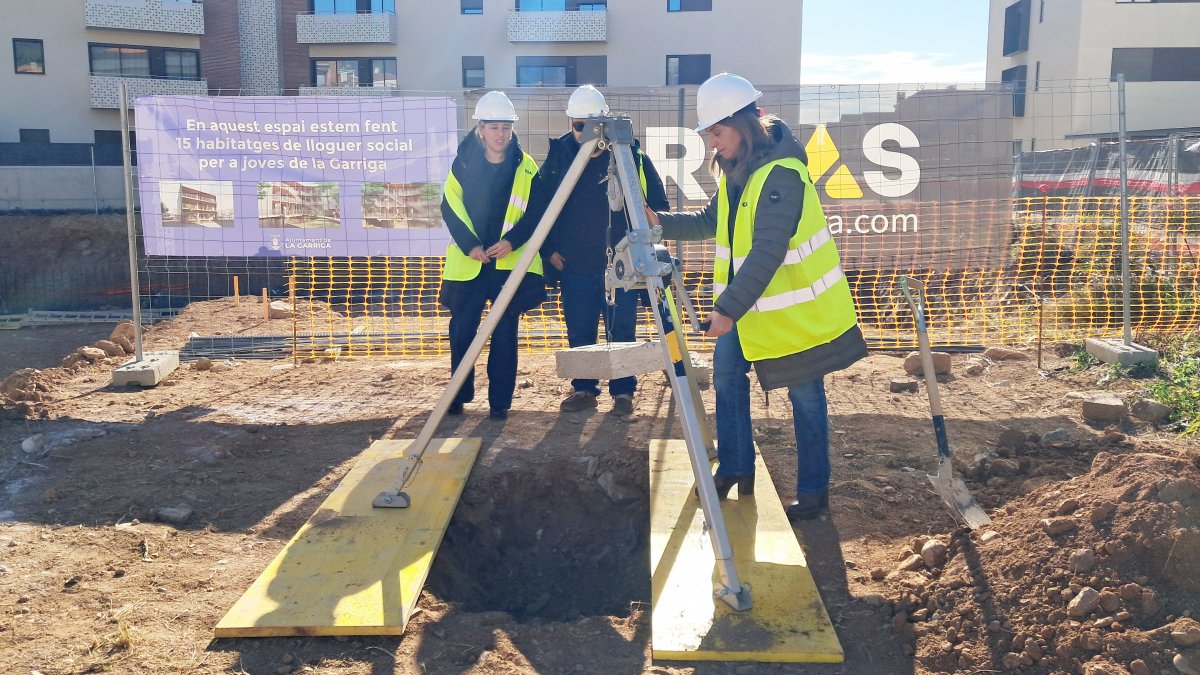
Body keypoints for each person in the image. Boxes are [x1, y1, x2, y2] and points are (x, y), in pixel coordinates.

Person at [645, 73, 868, 521]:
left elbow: (769, 250)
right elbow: (712, 222)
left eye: (718, 132)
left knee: (805, 397)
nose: (713, 143)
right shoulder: (738, 170)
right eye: (710, 134)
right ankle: (735, 469)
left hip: (795, 316)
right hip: (748, 311)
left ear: (745, 123)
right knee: (727, 382)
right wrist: (660, 222)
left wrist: (726, 309)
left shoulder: (781, 174)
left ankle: (813, 493)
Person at [541, 84, 670, 418]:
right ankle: (584, 389)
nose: (585, 135)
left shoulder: (630, 156)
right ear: (570, 123)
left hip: (622, 266)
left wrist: (643, 249)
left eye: (592, 126)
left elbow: (657, 205)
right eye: (578, 126)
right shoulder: (559, 158)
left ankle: (623, 393)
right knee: (580, 329)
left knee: (622, 329)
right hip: (575, 263)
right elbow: (541, 207)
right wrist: (549, 250)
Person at [439, 91, 549, 421]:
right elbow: (449, 206)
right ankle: (459, 395)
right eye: (493, 127)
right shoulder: (462, 163)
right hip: (471, 263)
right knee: (461, 332)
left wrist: (512, 242)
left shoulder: (526, 166)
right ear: (480, 130)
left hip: (506, 266)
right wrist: (470, 245)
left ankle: (500, 403)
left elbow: (537, 211)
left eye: (505, 127)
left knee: (503, 335)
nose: (500, 134)